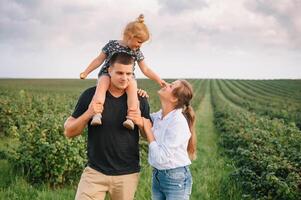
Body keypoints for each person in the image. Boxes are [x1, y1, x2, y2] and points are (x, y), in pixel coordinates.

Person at [64, 52, 151, 200]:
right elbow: (69, 131)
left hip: (127, 175)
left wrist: (140, 122)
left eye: (129, 73)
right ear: (109, 70)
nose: (124, 78)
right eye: (119, 73)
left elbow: (146, 134)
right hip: (94, 172)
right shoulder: (90, 95)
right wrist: (89, 113)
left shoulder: (139, 100)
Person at [80, 14, 166, 129]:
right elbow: (99, 59)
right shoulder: (112, 45)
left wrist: (159, 80)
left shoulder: (136, 52)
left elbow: (145, 69)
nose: (140, 46)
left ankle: (131, 118)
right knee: (101, 87)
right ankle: (97, 114)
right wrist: (86, 72)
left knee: (133, 90)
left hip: (128, 78)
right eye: (139, 42)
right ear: (129, 36)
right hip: (107, 73)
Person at [128, 80, 197, 200]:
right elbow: (146, 121)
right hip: (158, 176)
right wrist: (141, 98)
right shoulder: (160, 116)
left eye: (171, 86)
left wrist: (148, 130)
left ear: (174, 99)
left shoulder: (177, 122)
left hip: (176, 179)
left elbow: (161, 157)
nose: (166, 84)